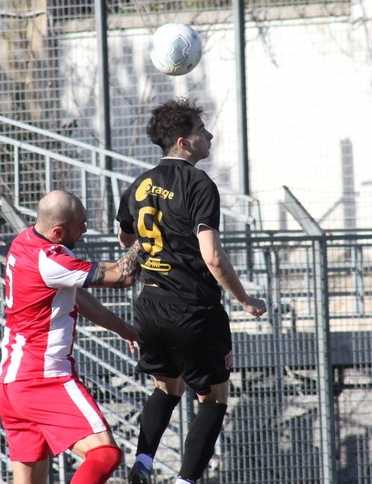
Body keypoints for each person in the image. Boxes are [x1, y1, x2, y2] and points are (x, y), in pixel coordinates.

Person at [116, 97, 268, 484]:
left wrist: (157, 250)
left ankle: (143, 463)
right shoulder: (199, 184)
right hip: (194, 309)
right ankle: (185, 481)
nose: (210, 135)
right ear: (183, 142)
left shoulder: (138, 184)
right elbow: (212, 256)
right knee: (213, 399)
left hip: (150, 305)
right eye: (202, 130)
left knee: (167, 388)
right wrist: (245, 299)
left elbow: (126, 238)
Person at [0, 189, 142, 484]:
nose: (85, 229)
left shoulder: (24, 241)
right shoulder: (50, 261)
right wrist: (148, 236)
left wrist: (123, 328)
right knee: (104, 454)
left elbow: (76, 295)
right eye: (81, 225)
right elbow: (123, 275)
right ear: (58, 232)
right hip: (43, 378)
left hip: (11, 385)